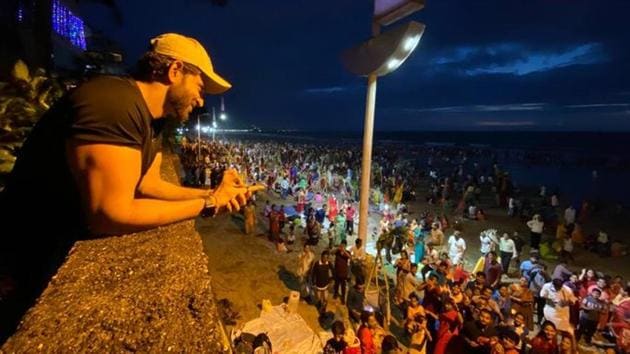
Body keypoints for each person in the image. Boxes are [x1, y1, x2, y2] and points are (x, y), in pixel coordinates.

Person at [0, 33, 263, 340]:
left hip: (49, 254)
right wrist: (208, 206)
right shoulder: (112, 102)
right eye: (200, 87)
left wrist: (213, 193)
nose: (201, 99)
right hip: (19, 261)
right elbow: (110, 213)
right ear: (174, 71)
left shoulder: (154, 121)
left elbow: (149, 184)